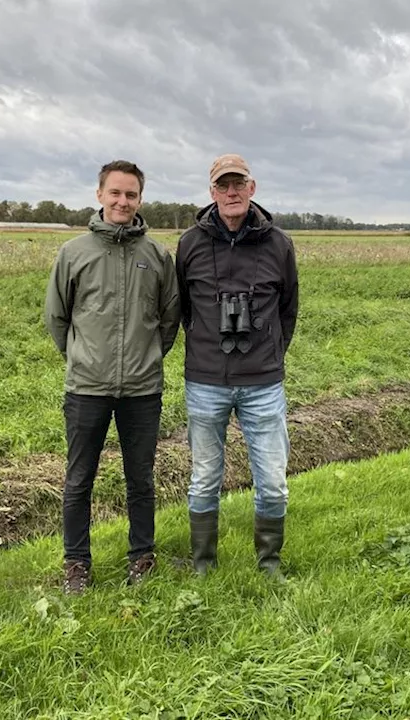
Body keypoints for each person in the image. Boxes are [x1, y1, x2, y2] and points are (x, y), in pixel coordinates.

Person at [44, 160, 181, 594]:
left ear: (141, 200)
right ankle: (76, 565)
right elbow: (57, 317)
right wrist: (82, 357)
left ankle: (142, 557)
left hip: (142, 389)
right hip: (87, 388)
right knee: (78, 479)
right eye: (116, 193)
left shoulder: (157, 257)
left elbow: (169, 318)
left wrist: (147, 356)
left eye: (132, 195)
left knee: (140, 479)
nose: (123, 201)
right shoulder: (74, 253)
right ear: (100, 195)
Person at [176, 153, 299, 577]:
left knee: (272, 480)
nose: (231, 192)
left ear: (252, 188)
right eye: (222, 185)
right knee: (204, 476)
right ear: (211, 192)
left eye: (238, 184)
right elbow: (182, 307)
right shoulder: (189, 244)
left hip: (263, 383)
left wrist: (269, 354)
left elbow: (288, 310)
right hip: (206, 380)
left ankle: (269, 564)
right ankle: (203, 565)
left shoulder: (279, 244)